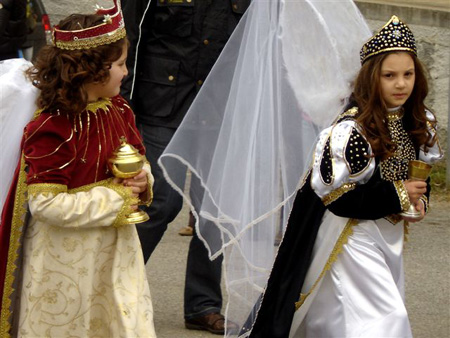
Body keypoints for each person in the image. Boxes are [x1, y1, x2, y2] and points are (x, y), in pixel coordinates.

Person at [247, 15, 443, 337]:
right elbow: (338, 198)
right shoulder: (352, 130)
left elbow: (421, 177)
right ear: (371, 78)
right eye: (389, 75)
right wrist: (397, 194)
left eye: (408, 74)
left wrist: (420, 202)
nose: (400, 84)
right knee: (384, 319)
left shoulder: (419, 122)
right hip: (351, 236)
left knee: (345, 317)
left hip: (388, 236)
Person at [0, 1, 157, 337]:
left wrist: (142, 178)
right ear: (91, 70)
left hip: (117, 251)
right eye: (119, 64)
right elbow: (45, 204)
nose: (126, 72)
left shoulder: (118, 110)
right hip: (64, 260)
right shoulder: (53, 127)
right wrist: (114, 199)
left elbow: (137, 159)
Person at [121, 0, 250, 334]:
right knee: (158, 201)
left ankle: (203, 305)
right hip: (162, 102)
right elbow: (131, 36)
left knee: (214, 214)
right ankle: (116, 291)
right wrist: (122, 107)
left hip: (221, 109)